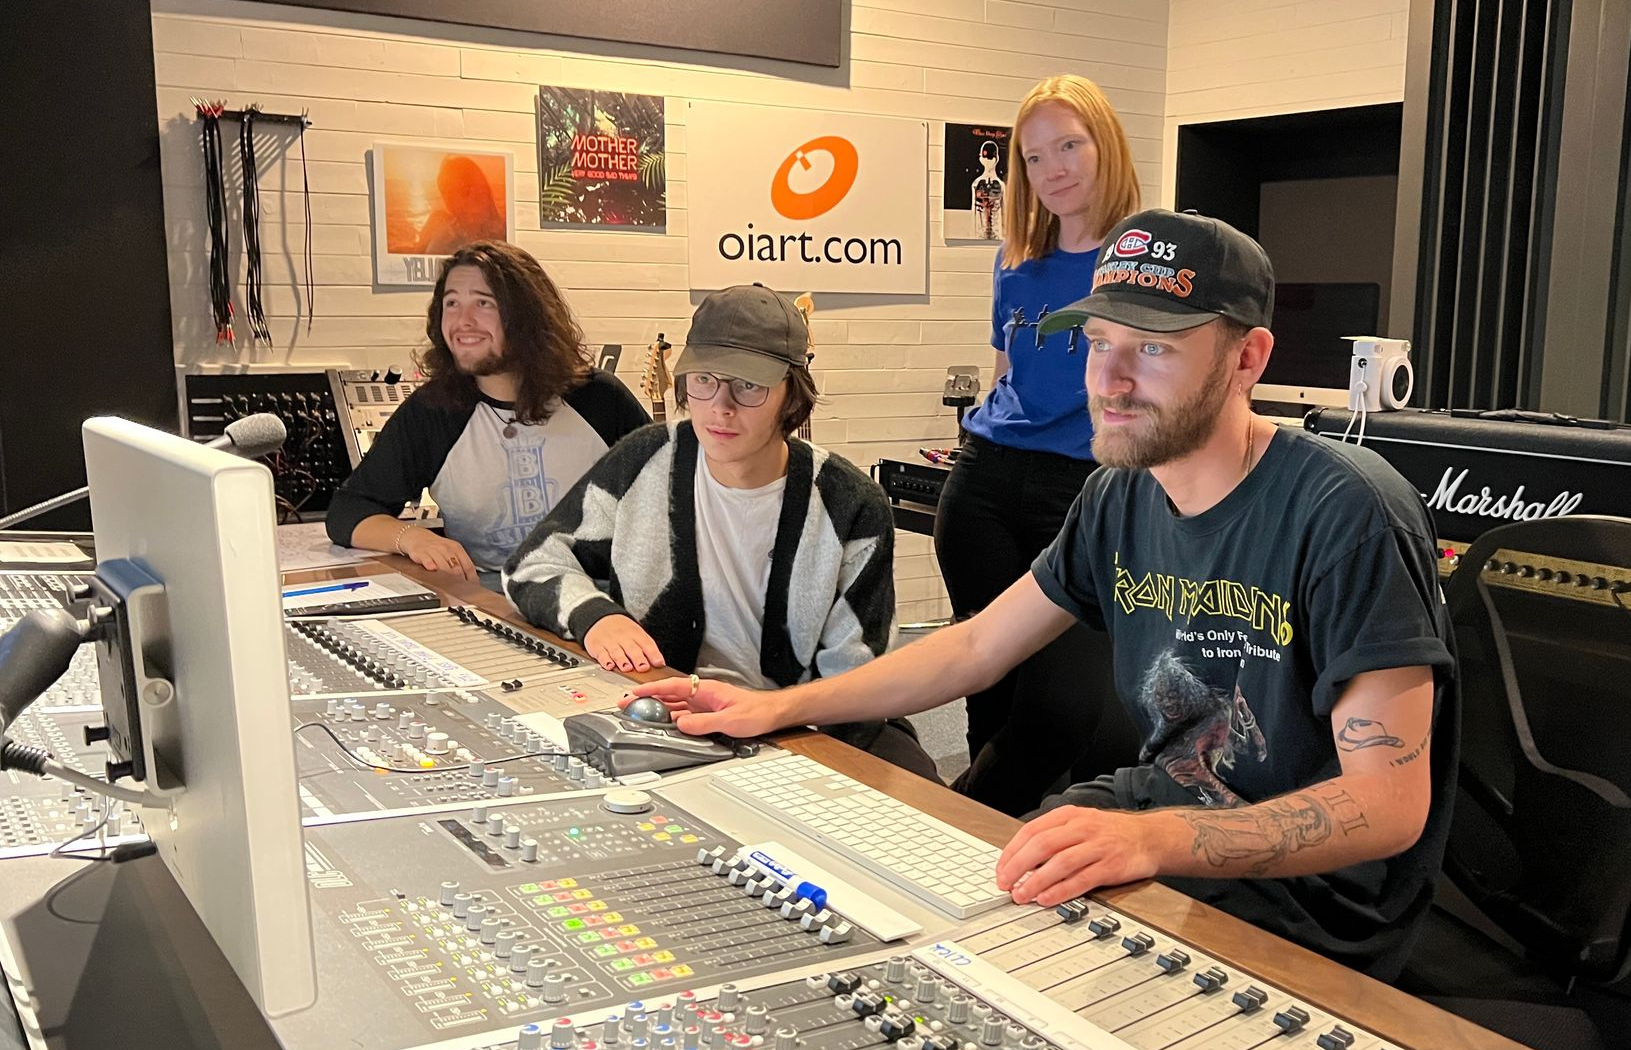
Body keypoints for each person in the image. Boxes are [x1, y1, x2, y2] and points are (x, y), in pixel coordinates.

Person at [625, 211, 1458, 977]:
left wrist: (1155, 838)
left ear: (1248, 359)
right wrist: (777, 709)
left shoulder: (1346, 510)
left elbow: (1387, 804)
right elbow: (979, 646)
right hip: (1157, 816)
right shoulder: (1119, 494)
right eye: (1099, 343)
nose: (1112, 378)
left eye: (1154, 349)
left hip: (1306, 896)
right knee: (909, 931)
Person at [503, 284, 937, 778]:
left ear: (791, 394)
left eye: (748, 386)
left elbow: (857, 682)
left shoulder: (851, 504)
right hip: (671, 716)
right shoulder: (645, 458)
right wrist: (596, 617)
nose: (720, 407)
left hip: (804, 725)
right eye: (704, 380)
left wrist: (784, 751)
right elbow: (532, 562)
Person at [934, 74, 1143, 815]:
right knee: (987, 684)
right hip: (985, 483)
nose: (1050, 168)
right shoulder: (1017, 255)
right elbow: (1006, 371)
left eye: (1068, 146)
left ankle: (963, 824)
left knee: (1061, 704)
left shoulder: (1140, 261)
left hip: (1083, 489)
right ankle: (985, 843)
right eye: (1031, 156)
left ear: (1105, 147)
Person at [327, 241, 648, 582]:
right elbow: (348, 512)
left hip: (602, 598)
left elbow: (675, 494)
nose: (463, 321)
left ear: (526, 315)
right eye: (451, 303)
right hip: (493, 600)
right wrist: (411, 538)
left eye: (483, 303)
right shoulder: (433, 411)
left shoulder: (600, 399)